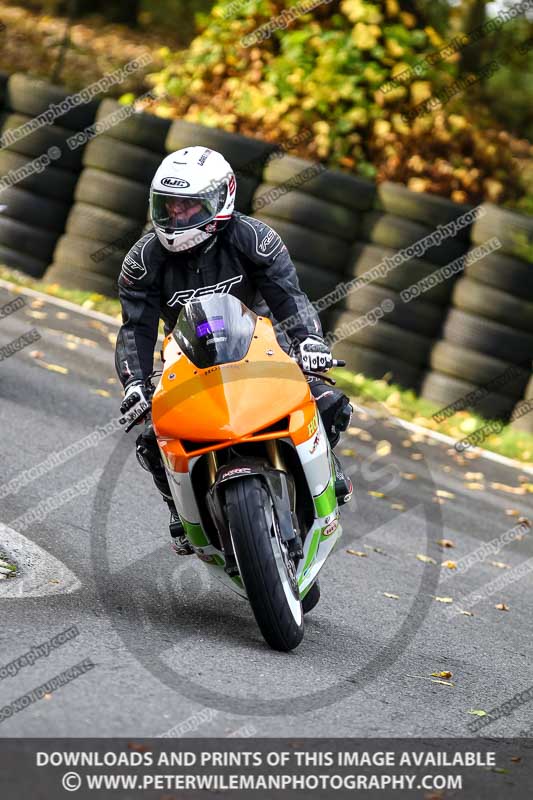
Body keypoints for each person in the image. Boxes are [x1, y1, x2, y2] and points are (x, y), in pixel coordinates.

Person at [115, 146, 353, 555]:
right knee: (153, 439)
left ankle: (327, 470)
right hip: (190, 361)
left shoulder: (254, 240)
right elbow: (136, 328)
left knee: (329, 400)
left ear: (220, 200)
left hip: (263, 350)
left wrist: (309, 342)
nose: (177, 218)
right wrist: (134, 383)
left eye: (188, 208)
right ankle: (180, 510)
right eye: (168, 207)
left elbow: (288, 297)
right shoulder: (143, 261)